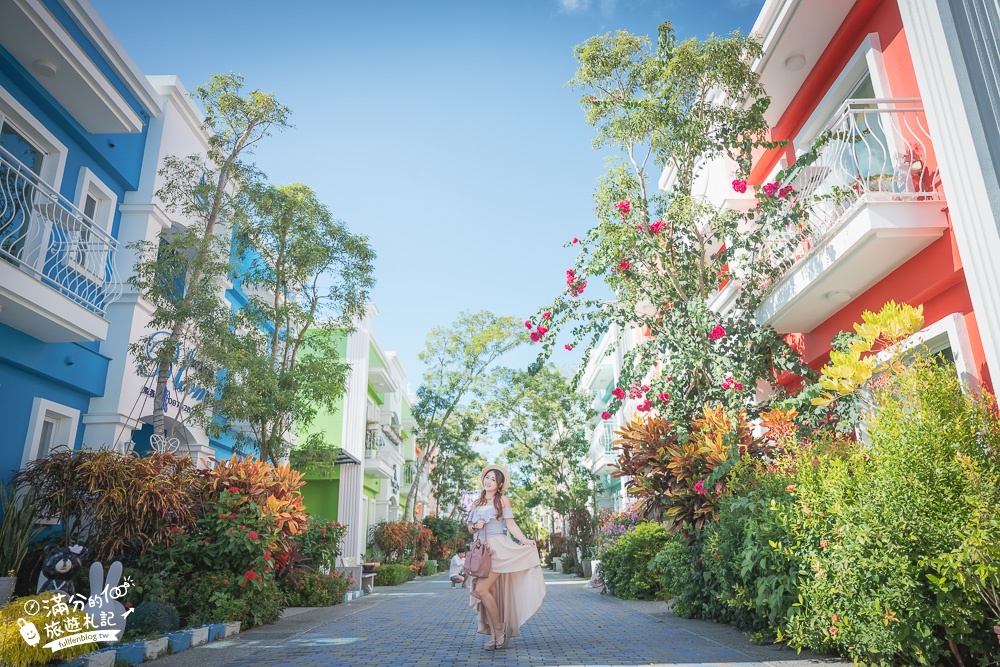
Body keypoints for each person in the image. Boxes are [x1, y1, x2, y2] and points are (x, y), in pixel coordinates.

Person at [465, 464, 546, 650]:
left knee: (482, 589)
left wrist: (524, 539)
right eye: (487, 477)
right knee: (489, 592)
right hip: (481, 551)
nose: (488, 481)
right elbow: (470, 528)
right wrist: (476, 526)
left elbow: (511, 524)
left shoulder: (502, 501)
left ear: (500, 484)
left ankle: (501, 629)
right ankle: (494, 636)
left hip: (499, 549)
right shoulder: (476, 503)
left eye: (493, 479)